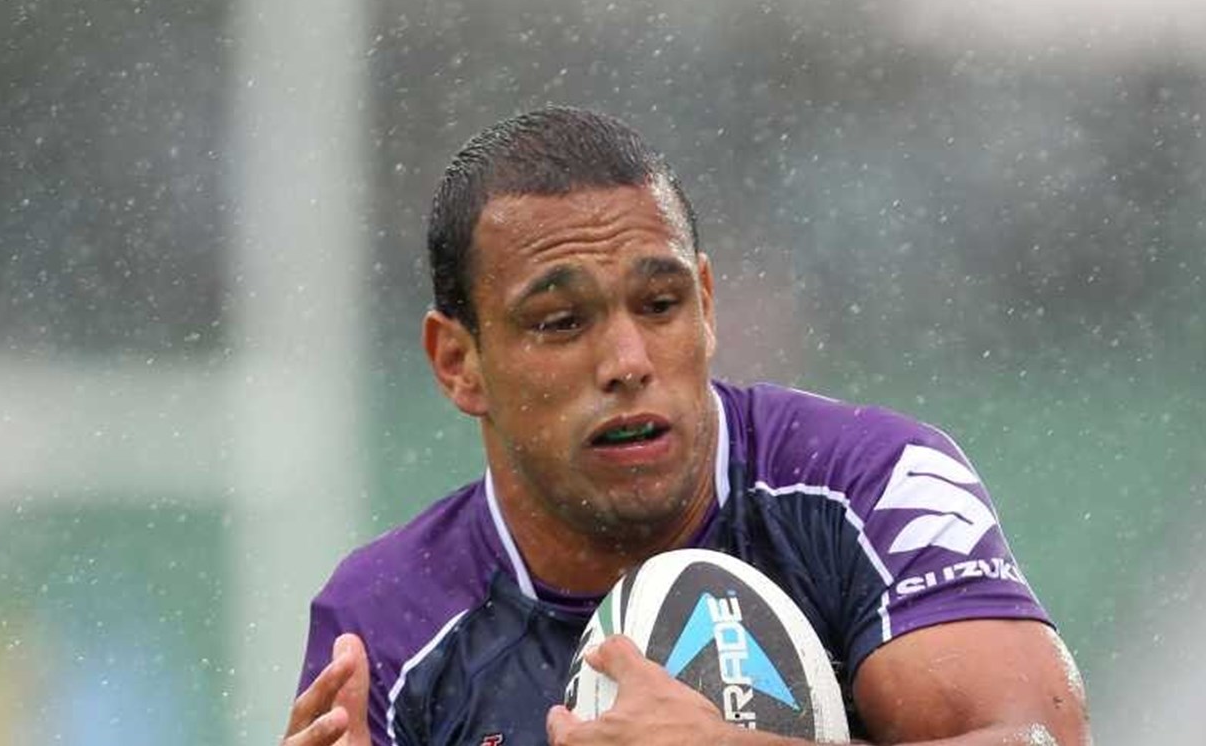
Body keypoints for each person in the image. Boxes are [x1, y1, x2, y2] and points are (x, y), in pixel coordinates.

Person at [283, 106, 1089, 746]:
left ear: (705, 305)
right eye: (562, 321)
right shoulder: (386, 624)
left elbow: (1042, 740)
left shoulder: (873, 485)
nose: (628, 361)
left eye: (660, 305)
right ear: (459, 362)